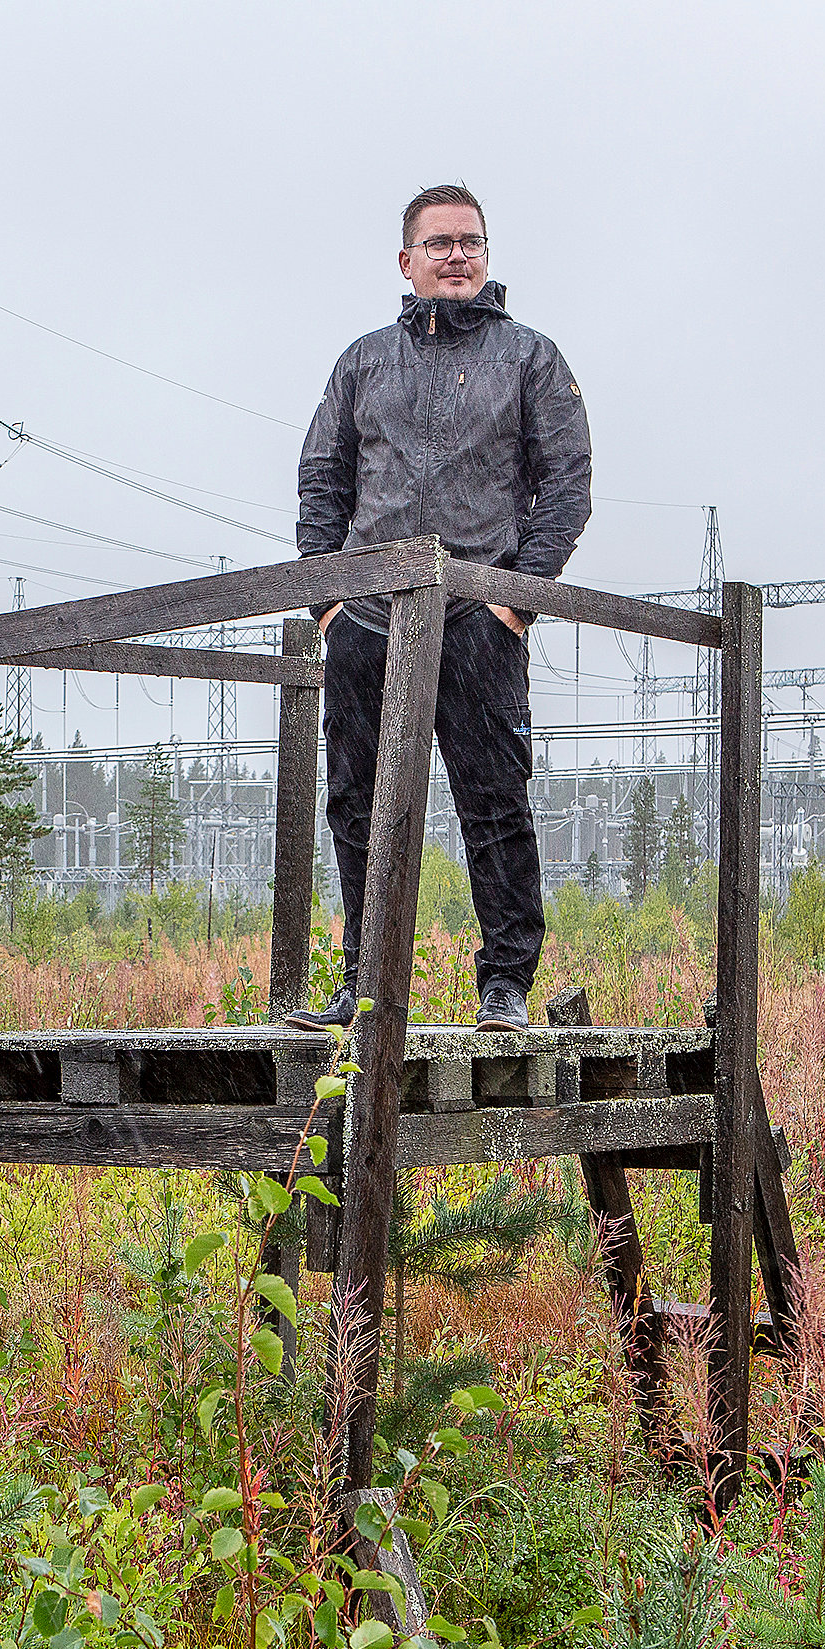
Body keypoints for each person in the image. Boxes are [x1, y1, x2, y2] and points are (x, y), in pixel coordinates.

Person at [286, 183, 593, 1034]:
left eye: (471, 242)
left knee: (493, 799)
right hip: (368, 615)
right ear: (406, 261)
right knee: (357, 800)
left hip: (476, 610)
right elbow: (323, 478)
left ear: (487, 257)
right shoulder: (362, 362)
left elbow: (566, 484)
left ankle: (504, 986)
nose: (457, 255)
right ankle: (363, 984)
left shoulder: (530, 358)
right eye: (440, 243)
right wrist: (328, 603)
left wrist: (516, 602)